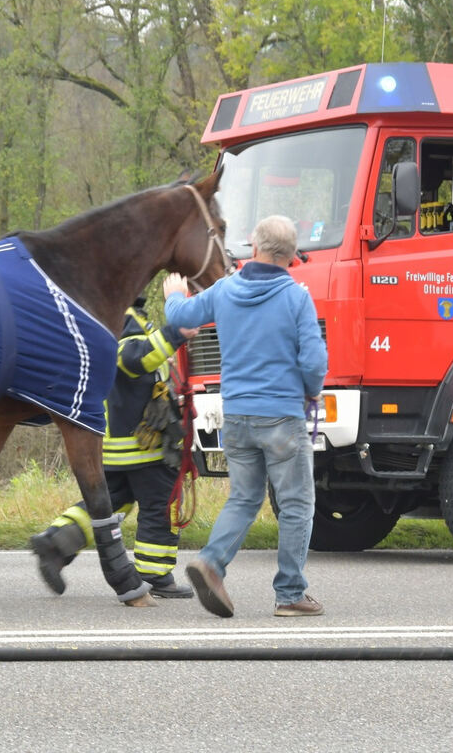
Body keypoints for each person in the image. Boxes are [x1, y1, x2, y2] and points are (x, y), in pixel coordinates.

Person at [163, 214, 328, 618]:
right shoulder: (296, 297)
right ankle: (290, 593)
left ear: (254, 249)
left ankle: (211, 564)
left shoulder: (224, 291)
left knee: (243, 498)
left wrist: (173, 295)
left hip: (235, 415)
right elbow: (314, 361)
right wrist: (309, 390)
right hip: (281, 417)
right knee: (297, 505)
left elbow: (180, 318)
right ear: (290, 257)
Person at [30, 295, 199, 598]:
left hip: (110, 442)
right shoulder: (125, 315)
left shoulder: (94, 310)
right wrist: (175, 334)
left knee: (109, 503)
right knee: (160, 505)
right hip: (142, 445)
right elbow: (131, 359)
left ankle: (56, 544)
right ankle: (154, 574)